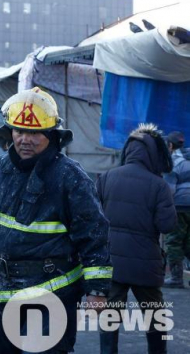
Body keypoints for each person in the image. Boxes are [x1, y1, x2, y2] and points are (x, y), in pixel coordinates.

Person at [0, 87, 111, 354]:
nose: (25, 139)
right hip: (4, 291)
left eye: (34, 132)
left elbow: (93, 234)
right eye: (19, 131)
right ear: (10, 133)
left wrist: (97, 290)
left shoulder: (70, 176)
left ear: (51, 135)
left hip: (51, 293)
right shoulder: (1, 168)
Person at [96, 124, 177, 354]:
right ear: (154, 154)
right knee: (155, 318)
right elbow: (167, 225)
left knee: (110, 319)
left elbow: (93, 219)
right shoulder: (159, 185)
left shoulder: (106, 178)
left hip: (112, 262)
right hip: (146, 264)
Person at [163, 131, 190, 289]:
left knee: (173, 241)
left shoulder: (173, 161)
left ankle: (176, 278)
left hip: (179, 207)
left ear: (171, 145)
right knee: (188, 242)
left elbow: (170, 190)